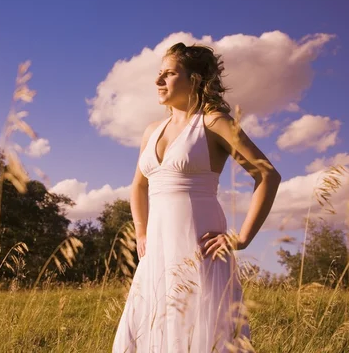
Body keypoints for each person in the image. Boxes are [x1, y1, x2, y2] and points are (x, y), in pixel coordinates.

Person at [112, 42, 281, 352]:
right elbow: (138, 185)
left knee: (201, 328)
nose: (158, 81)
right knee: (153, 325)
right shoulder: (152, 130)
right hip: (156, 251)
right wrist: (141, 233)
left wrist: (242, 237)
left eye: (169, 73)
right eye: (158, 74)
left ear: (195, 80)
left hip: (199, 245)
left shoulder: (213, 122)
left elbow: (267, 175)